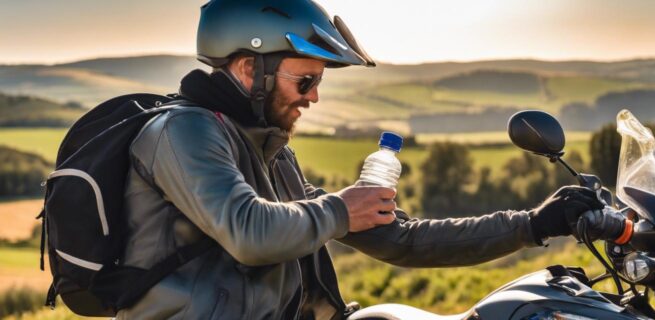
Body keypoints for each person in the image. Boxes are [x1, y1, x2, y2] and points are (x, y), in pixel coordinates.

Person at [118, 0, 605, 319]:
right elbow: (249, 233)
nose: (312, 99)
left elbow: (401, 241)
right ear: (249, 68)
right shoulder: (184, 132)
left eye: (319, 84)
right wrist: (340, 208)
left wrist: (534, 223)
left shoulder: (268, 152)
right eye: (304, 81)